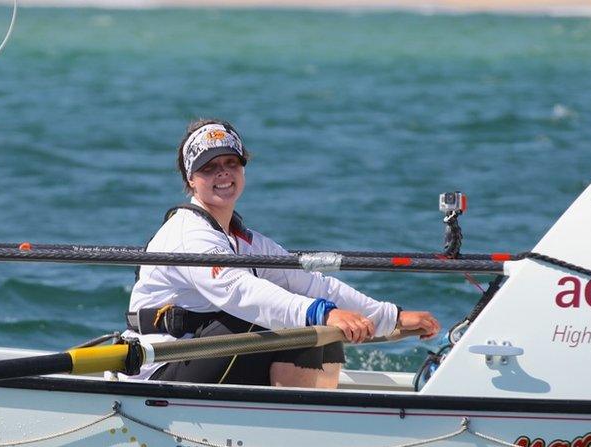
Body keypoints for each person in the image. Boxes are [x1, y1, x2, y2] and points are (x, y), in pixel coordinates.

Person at [124, 118, 439, 388]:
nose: (223, 174)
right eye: (209, 168)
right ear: (191, 180)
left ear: (243, 170)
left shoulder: (247, 241)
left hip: (200, 362)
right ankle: (290, 439)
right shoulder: (188, 234)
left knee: (319, 326)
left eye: (231, 163)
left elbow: (312, 285)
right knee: (291, 317)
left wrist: (391, 316)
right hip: (158, 372)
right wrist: (324, 313)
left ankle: (309, 426)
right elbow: (241, 292)